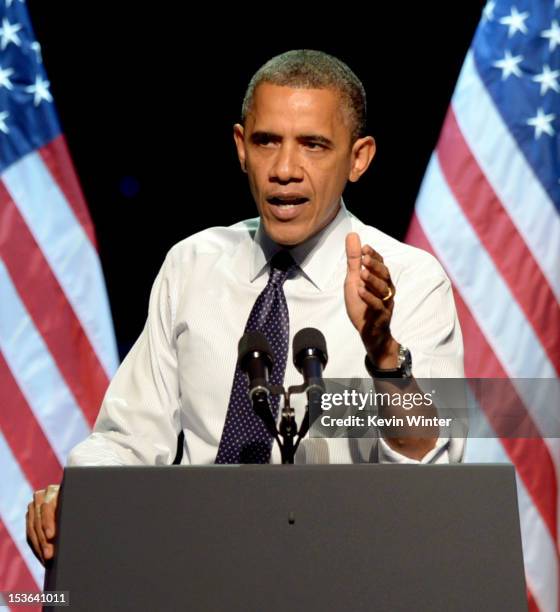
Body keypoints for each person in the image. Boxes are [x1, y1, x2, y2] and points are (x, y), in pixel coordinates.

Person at [26, 49, 465, 565]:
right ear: (241, 147)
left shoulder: (411, 279)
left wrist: (384, 353)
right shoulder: (191, 265)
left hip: (345, 568)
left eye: (314, 145)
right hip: (192, 565)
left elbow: (430, 463)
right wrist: (81, 498)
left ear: (358, 158)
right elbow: (129, 441)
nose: (284, 169)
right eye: (267, 141)